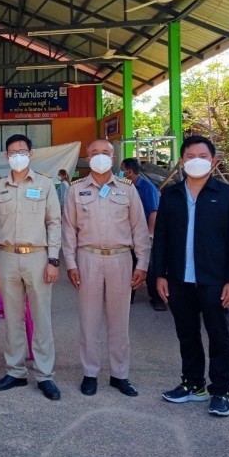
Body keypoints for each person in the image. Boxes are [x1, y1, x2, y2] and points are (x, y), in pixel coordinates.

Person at [153, 135, 229, 417]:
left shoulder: (228, 195)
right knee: (187, 333)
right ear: (182, 161)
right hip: (179, 278)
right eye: (190, 156)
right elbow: (161, 238)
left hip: (215, 280)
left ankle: (220, 391)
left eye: (203, 156)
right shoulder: (171, 195)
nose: (197, 161)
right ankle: (193, 384)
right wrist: (159, 274)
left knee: (218, 335)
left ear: (213, 160)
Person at [62, 139, 150, 398]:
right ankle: (90, 374)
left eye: (105, 152)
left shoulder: (127, 189)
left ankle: (119, 374)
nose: (100, 156)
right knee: (89, 321)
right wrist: (71, 263)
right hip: (87, 258)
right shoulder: (76, 189)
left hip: (120, 259)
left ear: (113, 158)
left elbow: (139, 228)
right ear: (88, 158)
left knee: (119, 321)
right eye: (94, 153)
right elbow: (69, 230)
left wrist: (142, 263)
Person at [0, 134, 63, 401]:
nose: (17, 155)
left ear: (30, 154)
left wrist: (53, 260)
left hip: (38, 258)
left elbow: (54, 222)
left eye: (22, 151)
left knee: (41, 318)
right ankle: (15, 371)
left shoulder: (45, 184)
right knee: (13, 318)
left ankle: (45, 375)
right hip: (7, 257)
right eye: (12, 152)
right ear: (6, 156)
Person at [120, 157, 163, 310]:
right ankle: (129, 296)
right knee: (129, 265)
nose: (120, 173)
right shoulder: (124, 187)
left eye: (122, 170)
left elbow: (154, 212)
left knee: (150, 267)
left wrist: (149, 235)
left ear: (129, 171)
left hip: (144, 233)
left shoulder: (147, 187)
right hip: (128, 233)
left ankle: (157, 299)